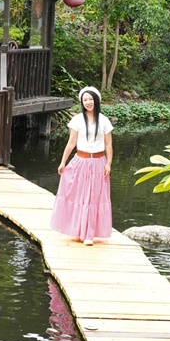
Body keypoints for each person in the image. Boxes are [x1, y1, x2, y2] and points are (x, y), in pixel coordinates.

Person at [50, 86, 113, 246]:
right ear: (82, 102)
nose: (88, 102)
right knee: (79, 196)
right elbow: (71, 143)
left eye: (91, 99)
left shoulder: (104, 120)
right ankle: (78, 231)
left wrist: (108, 164)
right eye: (85, 100)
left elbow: (108, 145)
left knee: (94, 198)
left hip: (98, 162)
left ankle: (89, 235)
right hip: (81, 161)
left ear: (96, 100)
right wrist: (63, 162)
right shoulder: (77, 120)